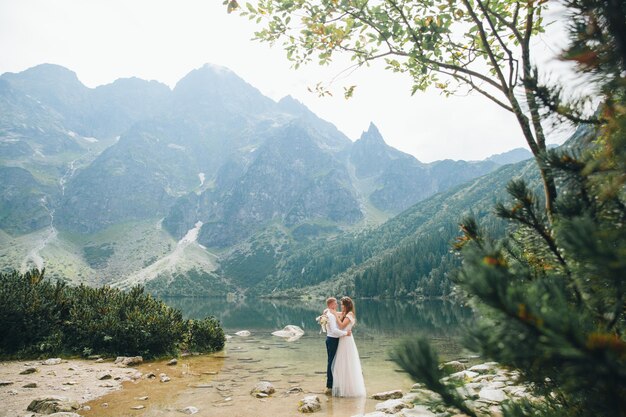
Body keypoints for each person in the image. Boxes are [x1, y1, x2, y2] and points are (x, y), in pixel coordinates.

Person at [331, 296, 366, 397]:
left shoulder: (350, 314)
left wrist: (334, 314)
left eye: (342, 304)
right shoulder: (344, 313)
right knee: (341, 363)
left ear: (346, 305)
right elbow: (336, 314)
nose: (341, 306)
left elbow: (341, 326)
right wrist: (330, 312)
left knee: (347, 362)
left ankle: (349, 389)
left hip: (346, 340)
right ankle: (343, 387)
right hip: (343, 339)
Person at [323, 297, 351, 395]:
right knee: (331, 362)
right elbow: (334, 330)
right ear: (331, 305)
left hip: (331, 339)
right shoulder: (330, 315)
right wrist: (345, 333)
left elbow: (339, 314)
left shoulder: (329, 312)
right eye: (335, 304)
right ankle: (329, 385)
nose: (337, 305)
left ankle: (333, 383)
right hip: (332, 340)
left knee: (333, 362)